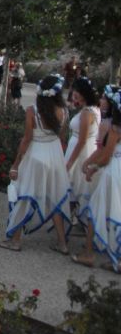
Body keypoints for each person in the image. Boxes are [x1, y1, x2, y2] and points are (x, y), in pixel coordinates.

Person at [0, 75, 71, 253]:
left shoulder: (33, 110)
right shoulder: (64, 111)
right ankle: (62, 243)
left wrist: (16, 164)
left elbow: (27, 139)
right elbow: (62, 137)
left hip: (36, 155)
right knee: (55, 197)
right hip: (55, 156)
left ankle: (16, 240)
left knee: (25, 195)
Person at [72, 85, 121, 272]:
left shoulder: (115, 128)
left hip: (114, 171)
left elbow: (106, 155)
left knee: (95, 210)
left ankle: (88, 253)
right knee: (115, 211)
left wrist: (93, 168)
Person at [65, 77, 100, 225]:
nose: (74, 94)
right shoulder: (94, 109)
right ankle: (78, 215)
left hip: (81, 151)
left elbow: (82, 141)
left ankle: (75, 215)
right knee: (79, 184)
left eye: (76, 92)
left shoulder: (87, 112)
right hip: (86, 148)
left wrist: (70, 162)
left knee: (75, 182)